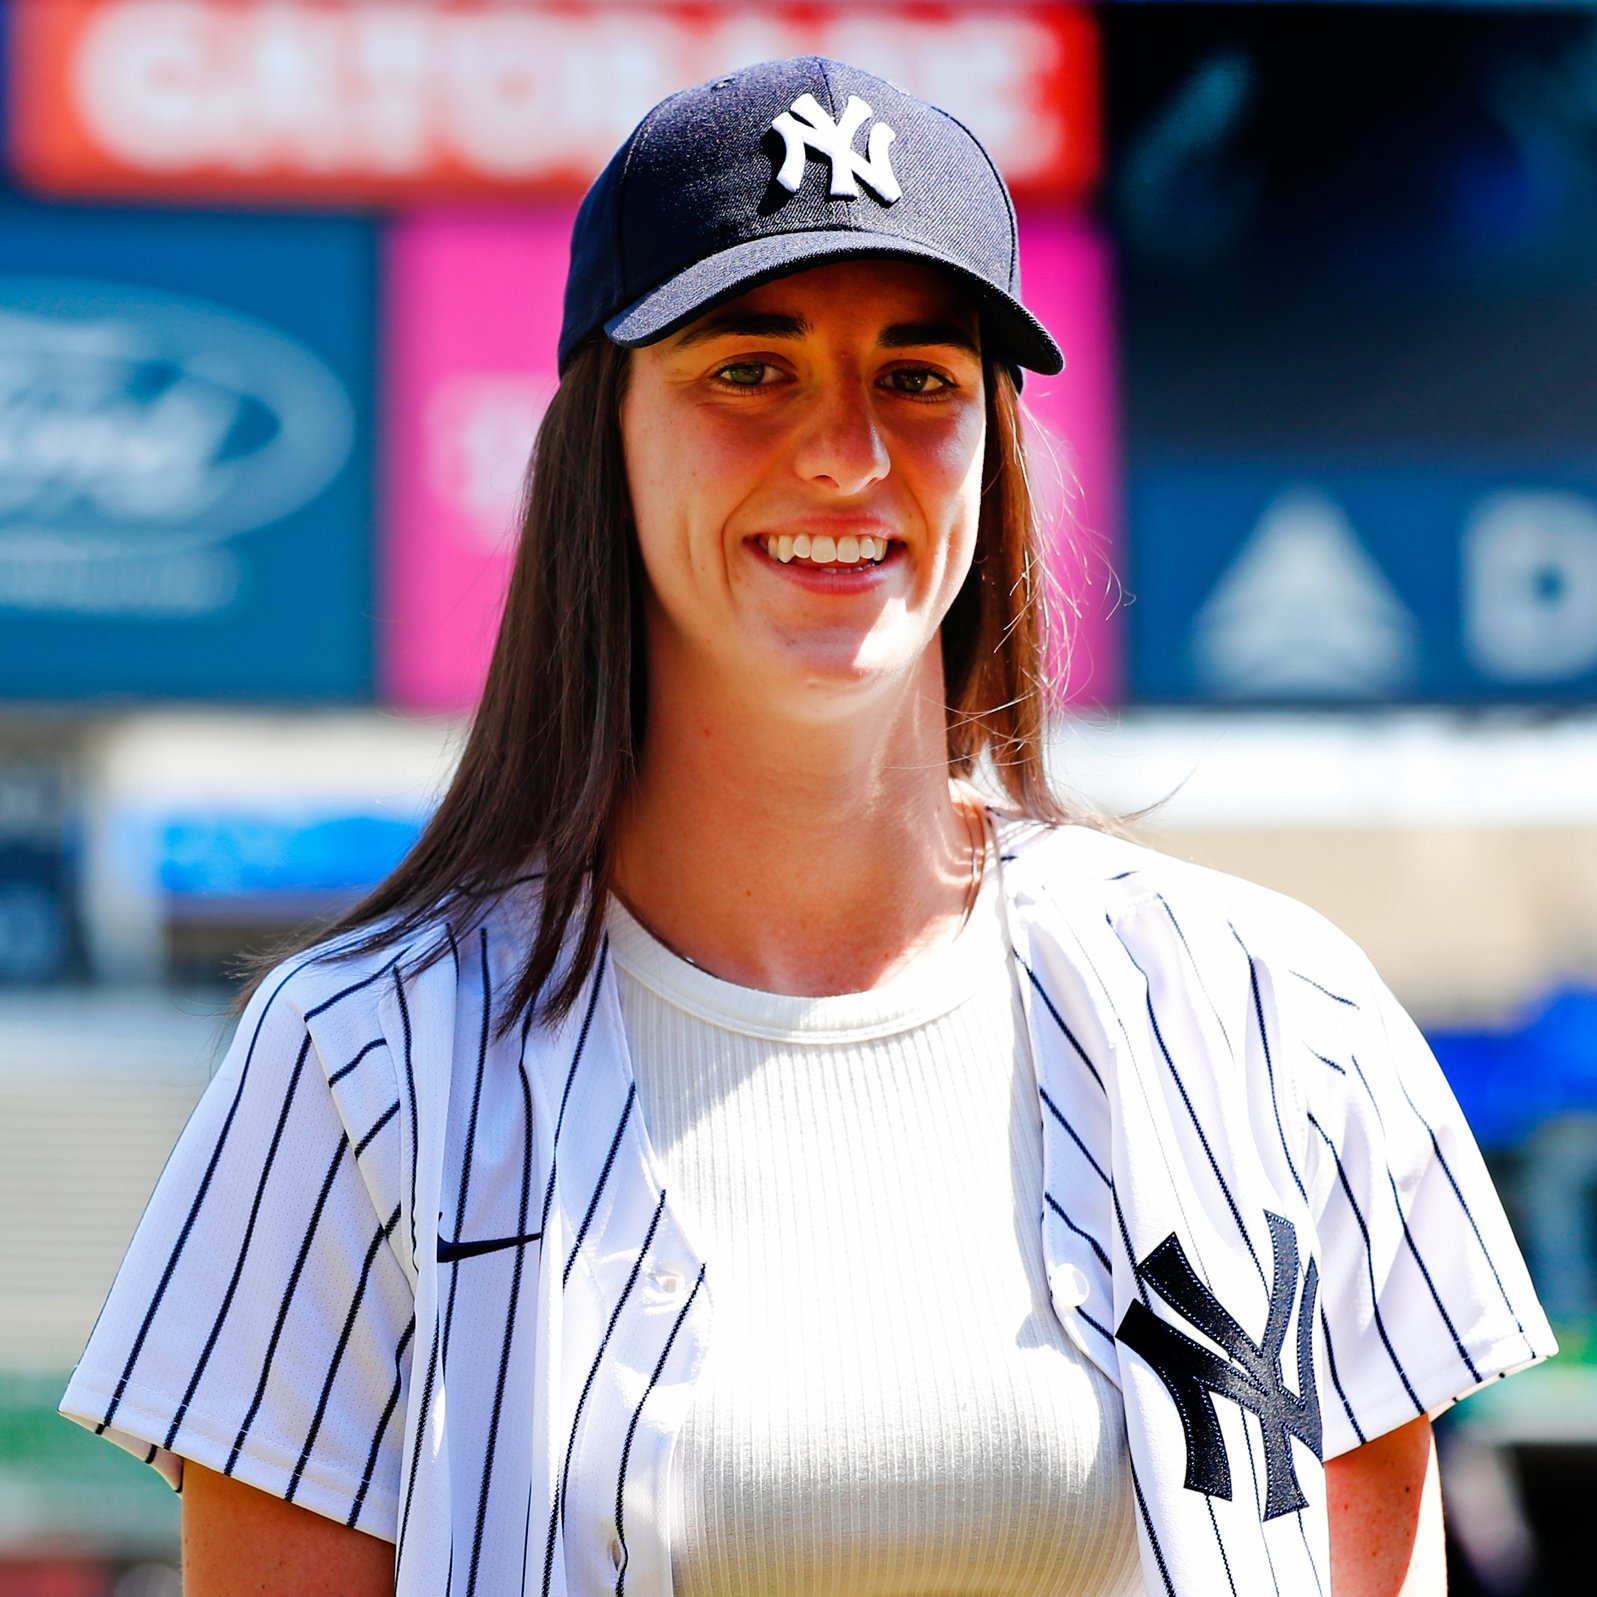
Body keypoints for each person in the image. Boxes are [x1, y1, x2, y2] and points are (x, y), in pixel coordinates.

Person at [62, 56, 1552, 1597]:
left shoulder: (1273, 1014)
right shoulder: (360, 1061)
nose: (846, 454)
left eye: (918, 374)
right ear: (603, 439)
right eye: (748, 369)